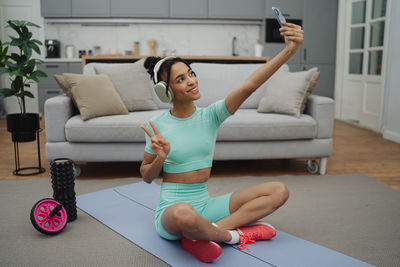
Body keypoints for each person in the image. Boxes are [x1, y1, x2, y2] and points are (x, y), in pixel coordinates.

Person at [140, 21, 303, 262]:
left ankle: (204, 235)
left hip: (206, 206)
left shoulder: (211, 116)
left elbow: (250, 85)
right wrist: (160, 159)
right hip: (173, 211)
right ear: (166, 91)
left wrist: (290, 50)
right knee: (186, 215)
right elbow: (146, 176)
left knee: (279, 191)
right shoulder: (157, 125)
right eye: (181, 79)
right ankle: (231, 236)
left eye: (192, 74)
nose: (192, 81)